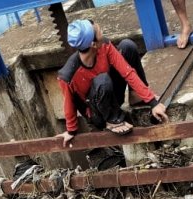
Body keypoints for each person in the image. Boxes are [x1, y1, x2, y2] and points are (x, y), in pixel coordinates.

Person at [56, 19, 168, 147]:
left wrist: (152, 102)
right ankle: (113, 120)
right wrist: (71, 130)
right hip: (97, 112)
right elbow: (68, 103)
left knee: (127, 46)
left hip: (111, 94)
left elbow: (127, 72)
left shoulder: (104, 46)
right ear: (93, 44)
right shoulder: (67, 75)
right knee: (102, 79)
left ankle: (135, 96)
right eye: (97, 30)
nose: (100, 30)